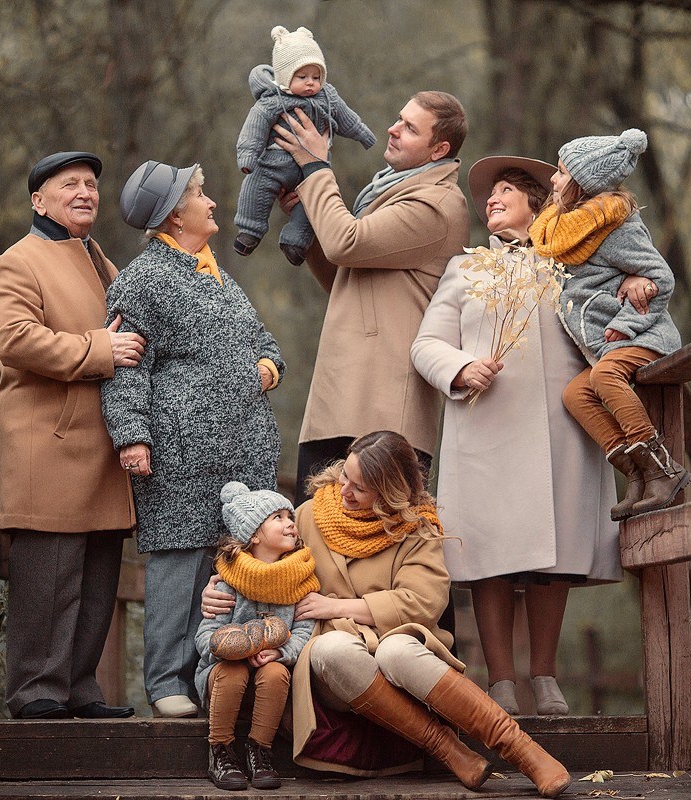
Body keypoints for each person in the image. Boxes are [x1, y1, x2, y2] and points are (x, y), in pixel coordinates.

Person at [203, 432, 572, 797]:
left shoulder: (416, 527)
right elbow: (261, 565)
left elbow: (425, 600)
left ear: (389, 492)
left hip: (401, 653)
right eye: (345, 475)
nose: (344, 490)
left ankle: (521, 749)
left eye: (359, 487)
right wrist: (220, 586)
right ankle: (448, 749)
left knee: (396, 651)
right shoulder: (311, 515)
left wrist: (339, 606)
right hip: (330, 667)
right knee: (333, 649)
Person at [412, 156, 641, 716]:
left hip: (561, 430)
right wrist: (460, 369)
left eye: (506, 190)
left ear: (538, 203)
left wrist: (638, 282)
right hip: (485, 427)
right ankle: (501, 680)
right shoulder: (465, 269)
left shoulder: (573, 263)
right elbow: (426, 344)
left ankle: (545, 675)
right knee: (488, 553)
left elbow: (624, 301)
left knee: (552, 555)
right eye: (489, 193)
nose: (491, 198)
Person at [103, 160, 285, 718]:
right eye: (201, 195)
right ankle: (165, 683)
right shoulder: (143, 278)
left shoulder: (216, 274)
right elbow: (126, 365)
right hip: (180, 450)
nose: (211, 203)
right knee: (176, 566)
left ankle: (214, 680)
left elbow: (264, 340)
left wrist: (265, 369)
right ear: (176, 214)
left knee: (226, 566)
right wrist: (132, 435)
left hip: (240, 450)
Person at [0, 151, 144, 720]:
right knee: (48, 576)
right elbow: (17, 340)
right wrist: (100, 349)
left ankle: (79, 687)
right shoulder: (16, 262)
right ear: (38, 200)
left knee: (98, 575)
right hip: (47, 443)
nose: (85, 193)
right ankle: (36, 693)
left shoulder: (100, 259)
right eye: (70, 184)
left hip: (100, 444)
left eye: (92, 185)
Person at [273, 91, 469, 504]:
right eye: (399, 118)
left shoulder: (436, 205)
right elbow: (346, 277)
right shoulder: (390, 192)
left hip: (383, 410)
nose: (392, 130)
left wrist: (315, 167)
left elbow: (346, 243)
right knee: (318, 541)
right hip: (340, 398)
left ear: (440, 149)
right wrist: (309, 221)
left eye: (410, 128)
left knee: (375, 551)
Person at [529, 129, 691, 517]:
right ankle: (636, 476)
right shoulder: (565, 230)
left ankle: (663, 470)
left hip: (645, 335)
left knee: (604, 378)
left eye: (562, 172)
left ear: (583, 184)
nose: (553, 178)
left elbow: (661, 278)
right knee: (575, 394)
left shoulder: (615, 226)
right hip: (607, 346)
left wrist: (627, 323)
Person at [194, 482, 318, 791]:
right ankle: (220, 750)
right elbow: (205, 632)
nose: (290, 523)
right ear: (254, 535)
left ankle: (260, 751)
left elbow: (305, 628)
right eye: (278, 517)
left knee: (276, 672)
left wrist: (280, 652)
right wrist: (227, 648)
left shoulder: (300, 579)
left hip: (268, 685)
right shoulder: (227, 582)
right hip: (223, 680)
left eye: (290, 516)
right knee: (232, 672)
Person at [233, 25, 376, 265]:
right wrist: (247, 155)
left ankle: (295, 241)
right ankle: (249, 231)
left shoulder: (328, 96)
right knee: (255, 188)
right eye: (302, 77)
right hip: (273, 163)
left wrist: (363, 134)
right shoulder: (273, 100)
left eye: (316, 77)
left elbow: (346, 117)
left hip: (310, 171)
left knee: (312, 205)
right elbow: (254, 127)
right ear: (286, 76)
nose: (311, 83)